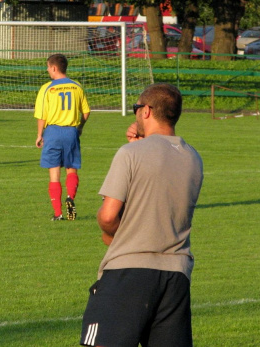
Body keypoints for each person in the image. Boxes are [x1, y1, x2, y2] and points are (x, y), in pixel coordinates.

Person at [80, 83, 203, 347]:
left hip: (128, 272)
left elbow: (108, 217)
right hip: (176, 274)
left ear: (146, 111)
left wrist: (112, 233)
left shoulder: (130, 154)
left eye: (137, 108)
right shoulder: (194, 157)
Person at [34, 53, 90, 221]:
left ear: (54, 68)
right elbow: (86, 112)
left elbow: (41, 116)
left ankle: (58, 213)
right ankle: (70, 198)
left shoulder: (47, 88)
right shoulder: (76, 86)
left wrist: (39, 135)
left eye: (48, 67)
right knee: (71, 168)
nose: (47, 70)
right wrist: (79, 128)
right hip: (71, 132)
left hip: (53, 132)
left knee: (54, 172)